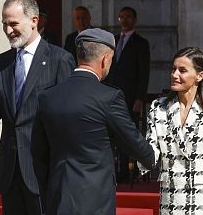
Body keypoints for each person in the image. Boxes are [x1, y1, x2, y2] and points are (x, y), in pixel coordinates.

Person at [31, 28, 155, 215]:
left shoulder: (47, 96)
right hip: (94, 198)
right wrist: (152, 156)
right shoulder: (109, 97)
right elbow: (133, 142)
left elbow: (38, 153)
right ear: (105, 59)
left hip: (56, 195)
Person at [0, 0, 75, 215]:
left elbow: (68, 117)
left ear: (34, 21)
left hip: (44, 170)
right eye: (4, 24)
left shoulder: (60, 60)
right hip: (10, 171)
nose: (8, 30)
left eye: (13, 24)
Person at [138, 47, 203, 214]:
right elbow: (150, 155)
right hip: (171, 199)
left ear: (199, 76)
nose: (174, 74)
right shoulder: (158, 107)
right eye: (173, 69)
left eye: (182, 70)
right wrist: (132, 142)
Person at [103, 6, 150, 182]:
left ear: (134, 20)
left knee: (127, 134)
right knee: (111, 133)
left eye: (128, 17)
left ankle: (128, 171)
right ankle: (113, 171)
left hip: (130, 98)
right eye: (121, 17)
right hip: (111, 95)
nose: (124, 20)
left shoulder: (141, 43)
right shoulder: (113, 41)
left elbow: (144, 73)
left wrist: (140, 97)